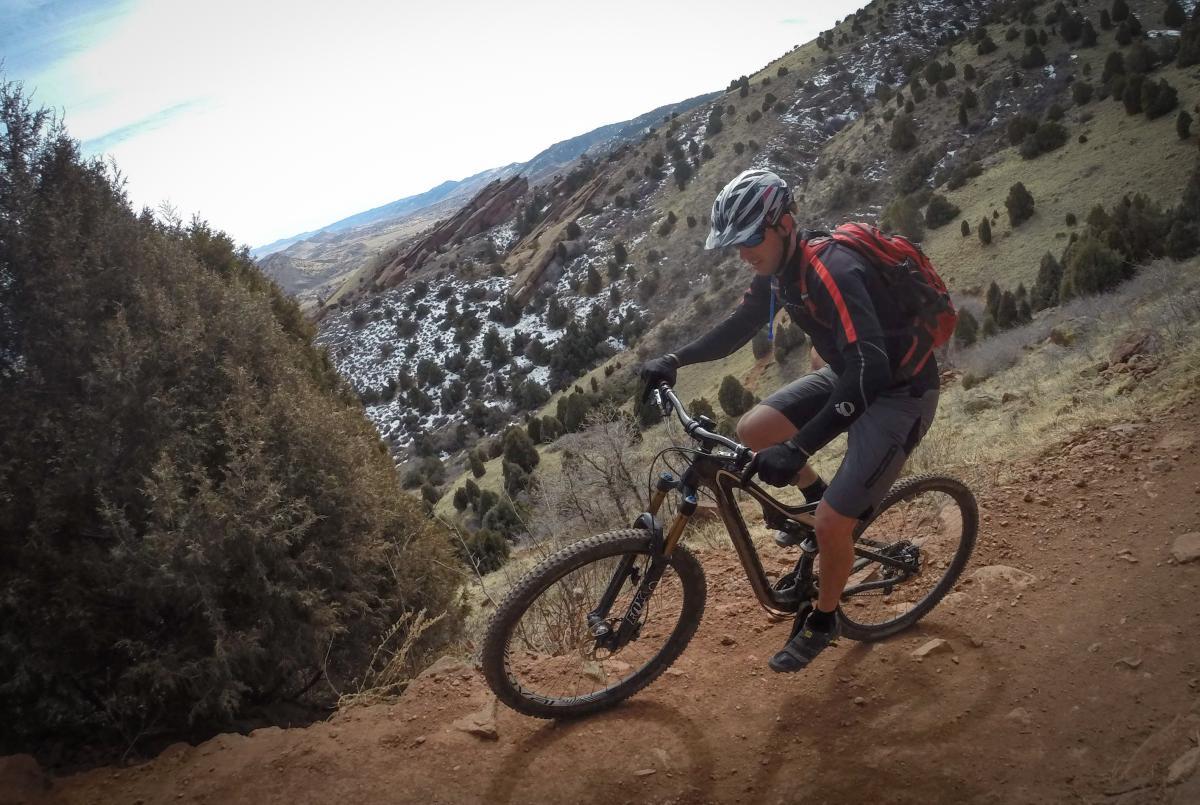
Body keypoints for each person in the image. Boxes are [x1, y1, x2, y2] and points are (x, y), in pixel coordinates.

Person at [639, 169, 940, 673]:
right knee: (754, 431)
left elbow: (873, 370)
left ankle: (824, 618)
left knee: (831, 524)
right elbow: (740, 326)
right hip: (851, 375)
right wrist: (676, 358)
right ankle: (815, 498)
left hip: (897, 393)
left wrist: (798, 449)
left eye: (751, 239)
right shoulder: (780, 272)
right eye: (736, 243)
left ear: (785, 224)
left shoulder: (832, 271)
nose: (743, 253)